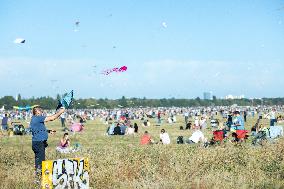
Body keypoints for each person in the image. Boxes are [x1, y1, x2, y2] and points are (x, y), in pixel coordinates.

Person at [30, 106, 65, 174]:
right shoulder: (37, 118)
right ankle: (39, 177)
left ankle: (39, 175)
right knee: (41, 162)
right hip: (39, 143)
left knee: (38, 160)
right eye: (40, 110)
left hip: (37, 142)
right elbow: (52, 118)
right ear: (36, 112)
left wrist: (48, 131)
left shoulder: (34, 118)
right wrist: (61, 111)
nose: (42, 111)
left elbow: (37, 129)